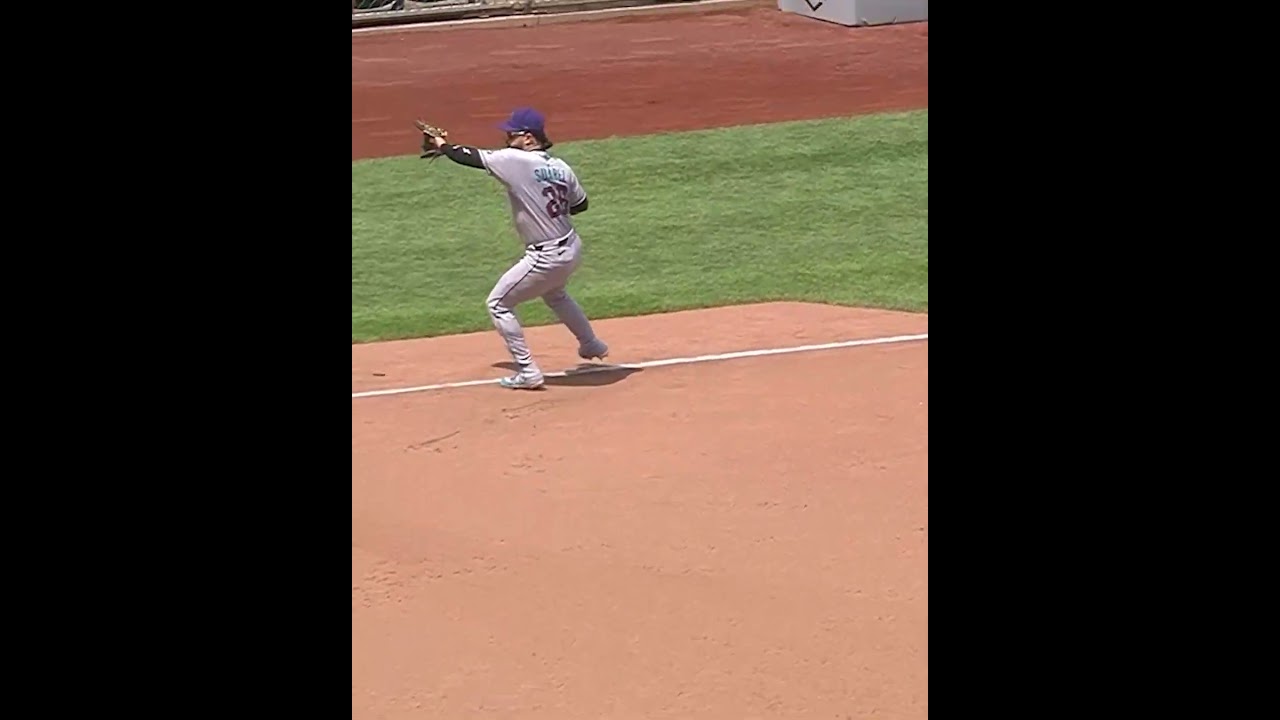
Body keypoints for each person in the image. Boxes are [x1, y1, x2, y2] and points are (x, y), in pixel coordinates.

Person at [424, 107, 609, 390]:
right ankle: (591, 344)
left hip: (546, 255)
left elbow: (468, 156)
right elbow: (580, 205)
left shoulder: (515, 160)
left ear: (528, 137)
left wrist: (442, 145)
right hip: (572, 247)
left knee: (498, 304)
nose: (507, 138)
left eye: (512, 134)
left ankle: (528, 371)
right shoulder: (561, 166)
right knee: (556, 294)